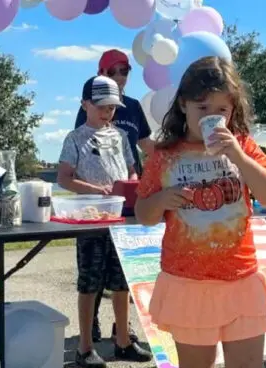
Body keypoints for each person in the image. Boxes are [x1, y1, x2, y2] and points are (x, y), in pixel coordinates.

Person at [135, 56, 266, 368]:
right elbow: (143, 215)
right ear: (184, 106)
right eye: (202, 108)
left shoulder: (243, 146)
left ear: (233, 111)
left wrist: (239, 157)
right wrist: (161, 200)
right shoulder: (165, 155)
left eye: (222, 110)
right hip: (188, 284)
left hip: (240, 281)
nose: (212, 117)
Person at [58, 75, 152, 368]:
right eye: (101, 106)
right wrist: (98, 191)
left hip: (120, 217)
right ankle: (85, 347)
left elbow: (132, 171)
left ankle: (123, 339)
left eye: (112, 107)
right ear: (85, 104)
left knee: (121, 282)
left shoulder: (121, 137)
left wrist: (131, 186)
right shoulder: (75, 138)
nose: (107, 113)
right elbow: (64, 178)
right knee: (90, 281)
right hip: (90, 220)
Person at [75, 49, 154, 343]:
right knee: (93, 269)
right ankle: (89, 328)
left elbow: (146, 148)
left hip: (128, 203)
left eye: (125, 71)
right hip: (94, 208)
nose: (120, 77)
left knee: (123, 271)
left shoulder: (132, 107)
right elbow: (77, 158)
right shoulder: (86, 114)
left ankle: (123, 332)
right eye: (113, 71)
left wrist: (176, 160)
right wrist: (95, 189)